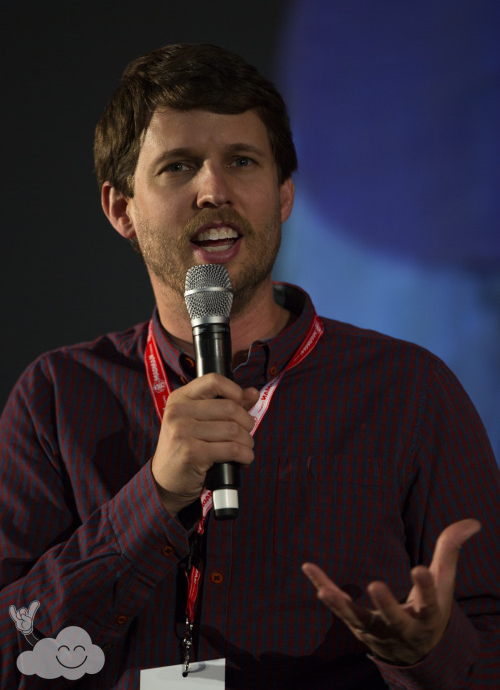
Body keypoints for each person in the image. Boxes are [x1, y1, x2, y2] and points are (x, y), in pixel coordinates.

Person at [0, 43, 498, 690]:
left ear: (283, 196)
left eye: (242, 161)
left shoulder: (408, 387)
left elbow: (490, 645)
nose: (214, 190)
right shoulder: (58, 394)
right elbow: (13, 650)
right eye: (178, 167)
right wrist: (155, 497)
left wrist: (423, 652)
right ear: (122, 209)